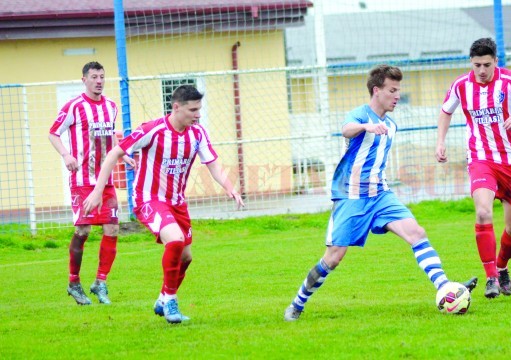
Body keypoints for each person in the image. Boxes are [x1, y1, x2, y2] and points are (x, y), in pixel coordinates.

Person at [283, 64, 477, 322]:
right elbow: (346, 129)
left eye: (399, 90)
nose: (397, 96)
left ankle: (445, 287)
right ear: (377, 90)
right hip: (351, 197)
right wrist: (366, 128)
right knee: (334, 257)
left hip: (381, 196)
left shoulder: (392, 125)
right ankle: (297, 304)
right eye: (392, 90)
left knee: (416, 233)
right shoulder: (360, 116)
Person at [83, 85, 244, 324]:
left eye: (199, 109)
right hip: (148, 198)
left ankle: (162, 299)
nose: (198, 114)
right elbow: (113, 154)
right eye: (193, 109)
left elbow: (213, 164)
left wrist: (230, 187)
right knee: (176, 240)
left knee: (186, 257)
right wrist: (98, 191)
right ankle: (170, 301)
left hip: (177, 203)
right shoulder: (152, 129)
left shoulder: (197, 133)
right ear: (176, 107)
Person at [435, 38, 511, 299]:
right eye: (476, 65)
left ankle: (503, 266)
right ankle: (491, 277)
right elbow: (446, 111)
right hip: (481, 159)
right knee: (483, 212)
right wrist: (440, 141)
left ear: (496, 61)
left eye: (486, 64)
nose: (481, 70)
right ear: (471, 63)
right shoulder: (461, 86)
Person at [49, 61, 136, 305]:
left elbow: (110, 138)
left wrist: (124, 155)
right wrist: (66, 155)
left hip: (105, 180)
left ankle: (100, 282)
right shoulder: (74, 107)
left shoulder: (111, 106)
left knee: (112, 228)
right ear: (84, 80)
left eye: (102, 76)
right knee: (83, 230)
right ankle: (74, 282)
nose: (99, 80)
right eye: (94, 76)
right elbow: (53, 133)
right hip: (81, 179)